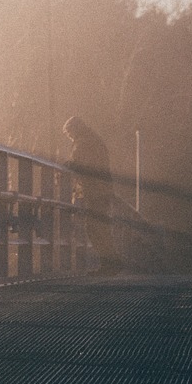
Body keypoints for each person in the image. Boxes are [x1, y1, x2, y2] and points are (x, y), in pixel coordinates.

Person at [62, 116, 120, 275]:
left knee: (95, 227)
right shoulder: (93, 139)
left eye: (69, 134)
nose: (69, 137)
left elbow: (83, 163)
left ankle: (111, 263)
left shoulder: (85, 142)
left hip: (95, 190)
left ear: (74, 129)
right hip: (101, 189)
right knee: (99, 227)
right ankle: (110, 264)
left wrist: (68, 164)